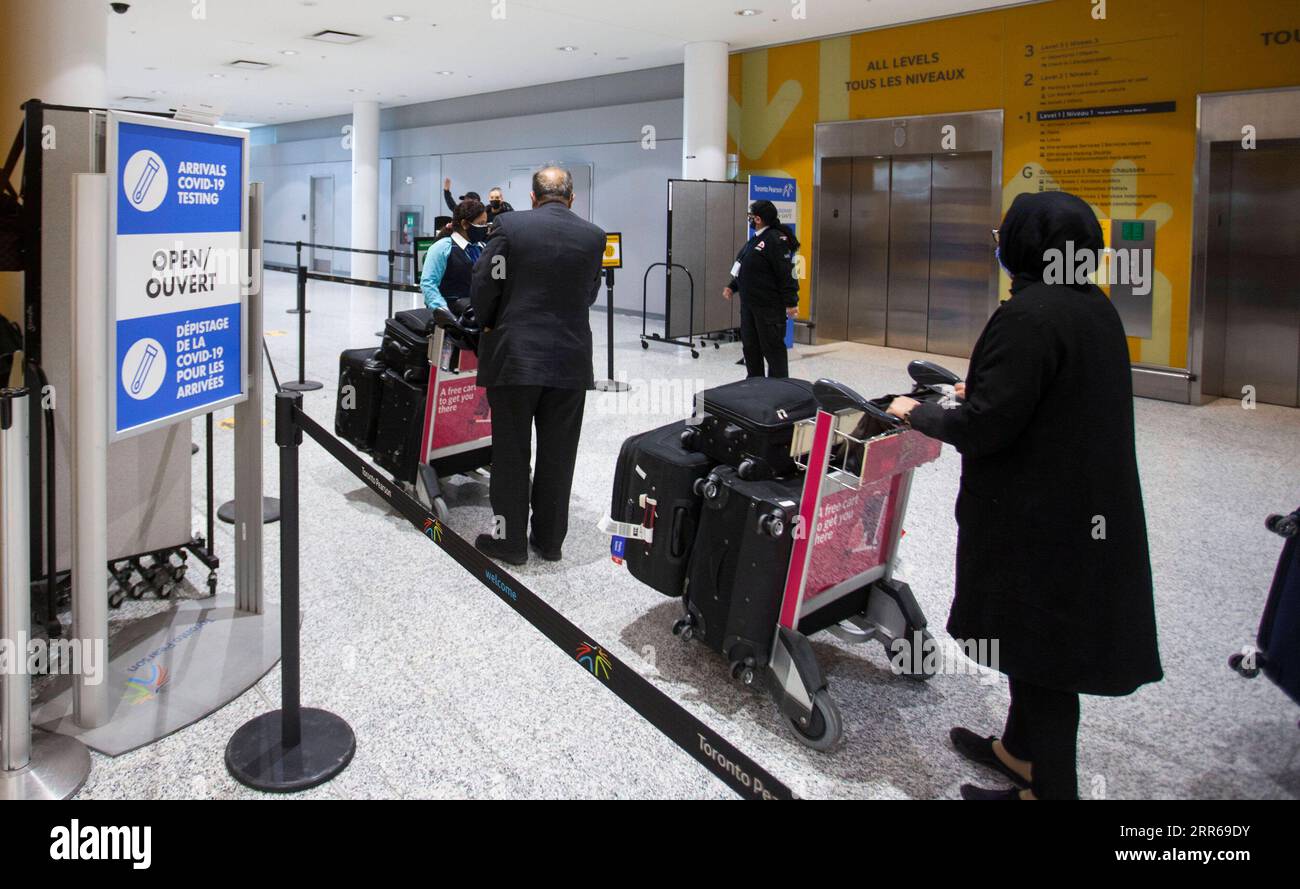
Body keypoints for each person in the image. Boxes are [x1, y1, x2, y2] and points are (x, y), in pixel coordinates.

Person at [885, 191, 1163, 801]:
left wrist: (919, 413)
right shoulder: (1091, 305)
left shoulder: (1028, 314)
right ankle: (1017, 751)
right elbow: (1048, 388)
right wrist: (975, 383)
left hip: (1040, 515)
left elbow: (987, 425)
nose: (997, 241)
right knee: (1031, 635)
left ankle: (1051, 790)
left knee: (1043, 652)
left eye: (1002, 233)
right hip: (1080, 502)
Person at [469, 166, 605, 565]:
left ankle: (509, 543)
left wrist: (490, 321)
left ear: (531, 197)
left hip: (515, 357)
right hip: (570, 359)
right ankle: (549, 542)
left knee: (511, 453)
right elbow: (590, 291)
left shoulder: (509, 226)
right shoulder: (593, 236)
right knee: (559, 454)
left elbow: (484, 282)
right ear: (572, 198)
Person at [722, 200, 800, 378]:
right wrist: (732, 286)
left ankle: (779, 388)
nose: (749, 219)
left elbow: (787, 273)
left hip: (769, 307)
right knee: (751, 347)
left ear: (757, 218)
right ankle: (755, 384)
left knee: (772, 349)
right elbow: (746, 267)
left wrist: (791, 302)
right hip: (750, 306)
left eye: (750, 216)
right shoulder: (756, 239)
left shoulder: (776, 239)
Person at [420, 199, 488, 313]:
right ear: (465, 224)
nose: (485, 228)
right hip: (451, 317)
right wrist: (443, 312)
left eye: (486, 223)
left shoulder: (482, 247)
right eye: (481, 224)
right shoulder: (442, 248)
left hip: (477, 315)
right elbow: (428, 283)